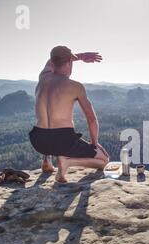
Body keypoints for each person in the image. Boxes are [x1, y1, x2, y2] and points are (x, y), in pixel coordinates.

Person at [29, 46, 109, 183]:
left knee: (47, 124)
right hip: (63, 141)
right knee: (103, 161)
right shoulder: (75, 86)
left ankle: (46, 159)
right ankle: (67, 162)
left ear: (53, 62)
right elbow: (91, 119)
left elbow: (52, 60)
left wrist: (80, 56)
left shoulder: (43, 77)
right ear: (70, 62)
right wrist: (95, 144)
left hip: (38, 140)